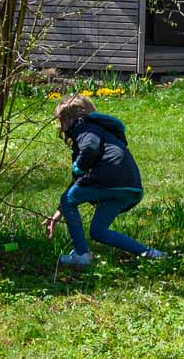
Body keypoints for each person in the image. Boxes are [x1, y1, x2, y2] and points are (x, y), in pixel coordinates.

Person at [43, 95, 164, 266]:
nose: (60, 127)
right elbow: (79, 182)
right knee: (98, 232)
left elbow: (89, 151)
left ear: (69, 119)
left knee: (68, 199)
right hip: (128, 185)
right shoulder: (102, 131)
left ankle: (81, 255)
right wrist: (60, 211)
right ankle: (151, 254)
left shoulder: (84, 128)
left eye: (60, 121)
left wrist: (78, 167)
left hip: (108, 178)